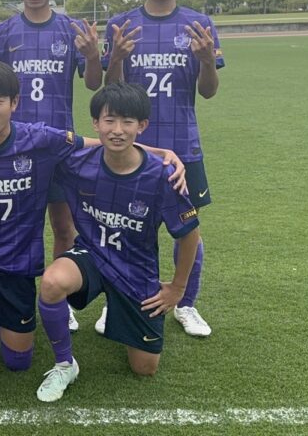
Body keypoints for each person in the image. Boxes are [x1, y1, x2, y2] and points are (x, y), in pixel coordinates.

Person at [0, 63, 184, 411]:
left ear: (14, 103)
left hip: (15, 260)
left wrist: (159, 153)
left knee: (17, 362)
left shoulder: (39, 138)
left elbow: (100, 141)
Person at [35, 82, 201, 402]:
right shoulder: (77, 162)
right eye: (109, 120)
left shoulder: (162, 176)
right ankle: (65, 364)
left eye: (127, 122)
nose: (118, 130)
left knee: (144, 368)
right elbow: (28, 141)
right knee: (52, 282)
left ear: (142, 125)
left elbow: (189, 234)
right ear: (95, 124)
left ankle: (121, 313)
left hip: (136, 268)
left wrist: (178, 288)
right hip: (92, 255)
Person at [0, 0, 102, 333]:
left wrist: (94, 56)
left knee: (63, 226)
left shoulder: (70, 29)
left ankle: (59, 299)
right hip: (14, 148)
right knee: (10, 228)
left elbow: (93, 83)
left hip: (57, 148)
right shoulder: (6, 31)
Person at [100, 0, 224, 338]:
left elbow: (208, 91)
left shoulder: (199, 24)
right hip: (132, 149)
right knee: (125, 228)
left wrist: (206, 60)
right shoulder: (121, 24)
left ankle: (186, 302)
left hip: (183, 146)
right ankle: (118, 300)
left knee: (187, 230)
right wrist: (117, 58)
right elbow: (110, 92)